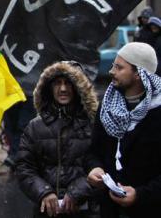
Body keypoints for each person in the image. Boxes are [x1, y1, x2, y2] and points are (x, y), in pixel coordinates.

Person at [86, 42, 161, 217]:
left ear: (138, 73)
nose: (112, 71)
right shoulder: (107, 105)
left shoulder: (157, 111)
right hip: (110, 209)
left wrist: (140, 195)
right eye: (113, 65)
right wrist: (94, 168)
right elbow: (93, 151)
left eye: (119, 67)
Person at [15, 61, 98, 217]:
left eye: (68, 83)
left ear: (78, 88)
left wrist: (76, 193)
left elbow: (102, 167)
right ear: (48, 88)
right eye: (57, 83)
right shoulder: (35, 127)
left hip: (84, 210)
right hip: (46, 211)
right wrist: (44, 193)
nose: (63, 89)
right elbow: (24, 167)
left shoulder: (92, 125)